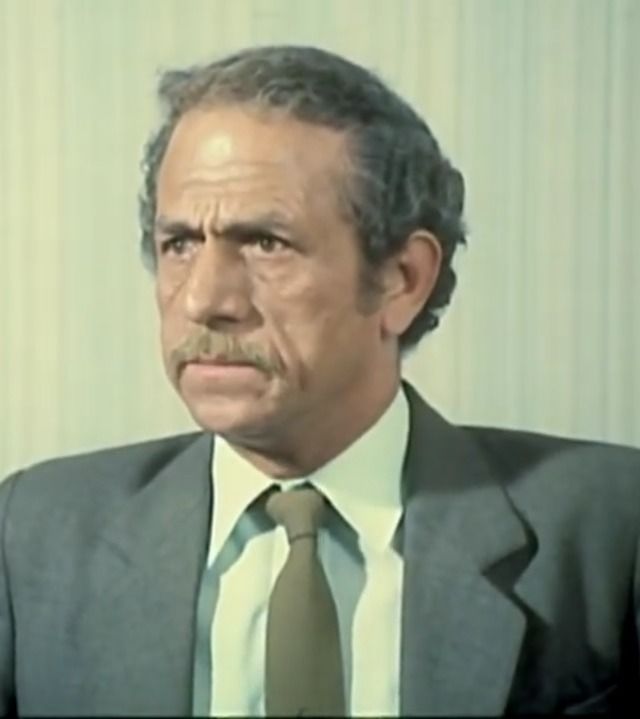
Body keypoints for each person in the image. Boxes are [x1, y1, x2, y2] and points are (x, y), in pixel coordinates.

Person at [0, 45, 638, 717]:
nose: (204, 298)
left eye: (266, 243)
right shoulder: (31, 536)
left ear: (402, 280)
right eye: (180, 244)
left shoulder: (610, 530)